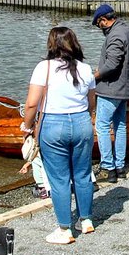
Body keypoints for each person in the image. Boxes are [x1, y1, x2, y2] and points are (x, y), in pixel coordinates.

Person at [19, 26, 96, 244]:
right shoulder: (85, 68)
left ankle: (65, 229)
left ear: (51, 44)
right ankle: (86, 219)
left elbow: (32, 103)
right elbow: (92, 102)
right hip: (81, 122)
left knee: (59, 178)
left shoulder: (44, 67)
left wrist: (27, 126)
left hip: (53, 124)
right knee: (82, 173)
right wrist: (85, 118)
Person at [91, 3, 129, 184]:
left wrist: (93, 77)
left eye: (98, 24)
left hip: (112, 89)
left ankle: (107, 168)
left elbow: (112, 64)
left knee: (102, 126)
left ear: (104, 20)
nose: (99, 28)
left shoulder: (116, 35)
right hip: (125, 88)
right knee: (120, 126)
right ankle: (120, 167)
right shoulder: (128, 31)